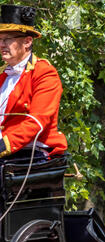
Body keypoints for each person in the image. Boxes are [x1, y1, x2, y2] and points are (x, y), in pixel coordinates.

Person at [0, 4, 67, 159]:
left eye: (7, 39)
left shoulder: (44, 73)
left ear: (27, 42)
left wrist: (3, 145)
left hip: (31, 152)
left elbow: (36, 122)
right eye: (0, 39)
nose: (2, 45)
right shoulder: (2, 75)